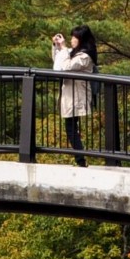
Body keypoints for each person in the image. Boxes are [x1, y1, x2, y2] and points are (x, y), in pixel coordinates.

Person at [50, 25, 97, 166]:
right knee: (71, 127)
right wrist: (57, 46)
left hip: (76, 96)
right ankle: (80, 159)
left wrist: (63, 49)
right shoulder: (75, 53)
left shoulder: (84, 56)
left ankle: (81, 160)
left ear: (81, 39)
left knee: (70, 127)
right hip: (71, 95)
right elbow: (58, 62)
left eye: (74, 37)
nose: (72, 40)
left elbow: (66, 66)